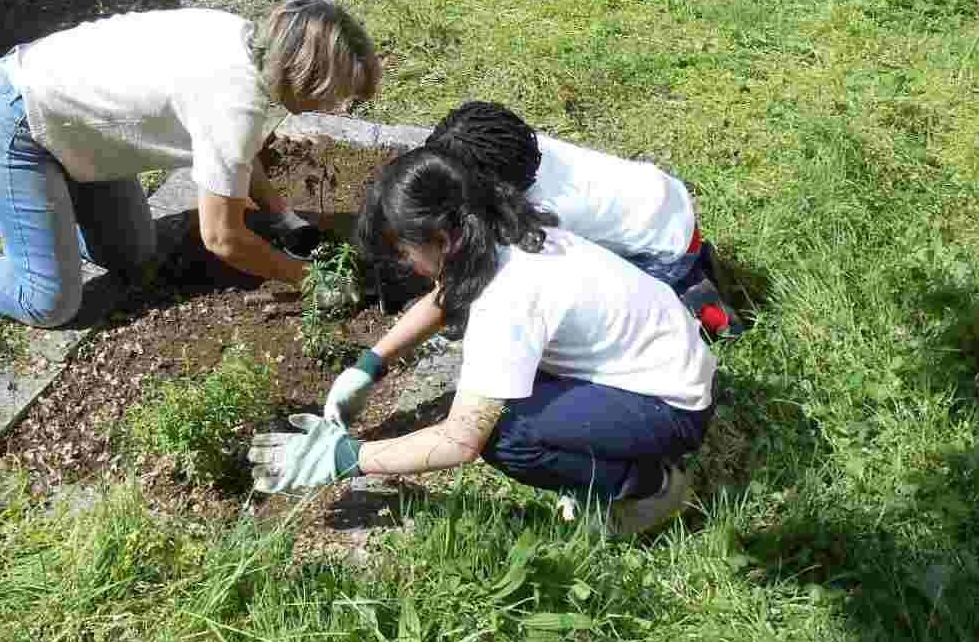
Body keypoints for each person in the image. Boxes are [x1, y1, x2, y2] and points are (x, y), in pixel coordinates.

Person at [248, 148, 717, 536]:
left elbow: (460, 442)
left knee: (504, 433)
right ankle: (616, 458)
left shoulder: (508, 301)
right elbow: (446, 297)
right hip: (669, 358)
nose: (408, 263)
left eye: (407, 250)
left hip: (671, 406)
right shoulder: (503, 231)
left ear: (441, 239)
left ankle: (649, 487)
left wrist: (348, 457)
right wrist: (371, 363)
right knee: (497, 400)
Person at [0, 0, 380, 327]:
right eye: (336, 94)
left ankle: (0, 201)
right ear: (303, 74)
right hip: (15, 121)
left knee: (132, 254)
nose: (340, 107)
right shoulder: (232, 98)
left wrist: (282, 216)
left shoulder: (253, 45)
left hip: (80, 139)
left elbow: (239, 153)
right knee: (47, 301)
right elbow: (222, 239)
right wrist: (307, 279)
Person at [424, 101, 742, 336]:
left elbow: (522, 281)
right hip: (665, 205)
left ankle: (702, 310)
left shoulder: (546, 214)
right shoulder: (518, 153)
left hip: (663, 249)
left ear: (491, 185)